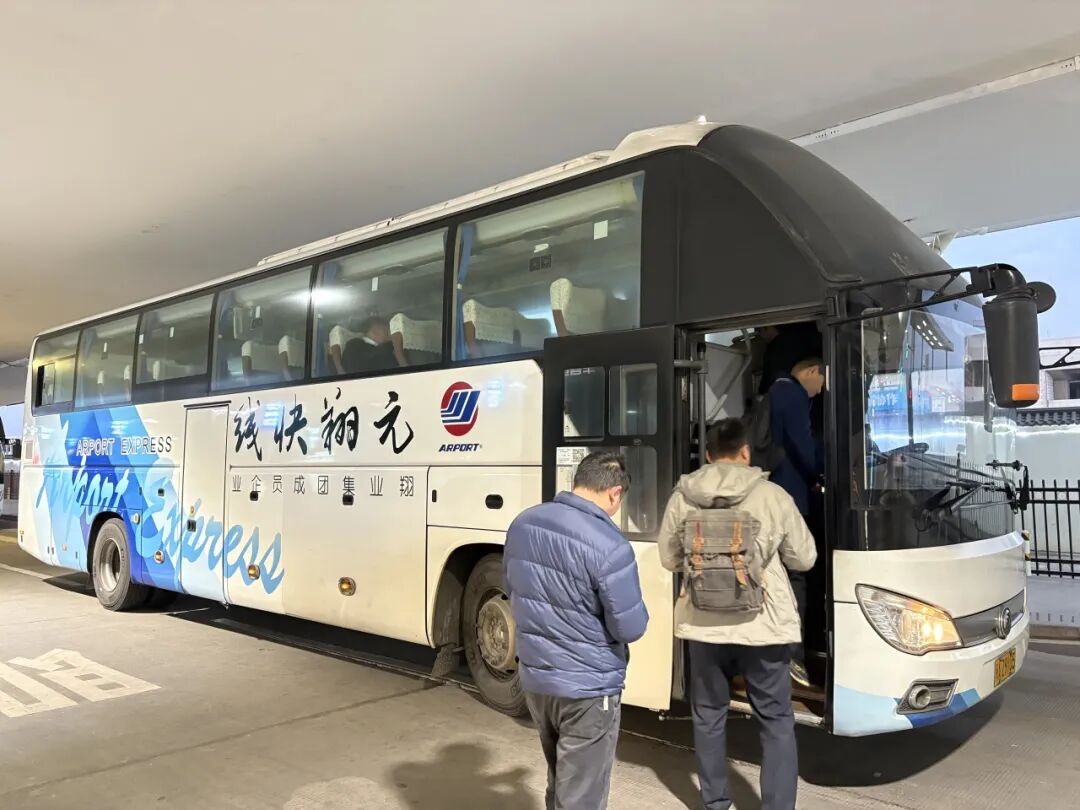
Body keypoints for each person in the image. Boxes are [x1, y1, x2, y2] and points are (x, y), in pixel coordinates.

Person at [658, 419, 816, 810]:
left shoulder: (683, 496)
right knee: (775, 720)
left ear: (708, 454)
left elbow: (669, 558)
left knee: (709, 716)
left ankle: (716, 803)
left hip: (703, 625)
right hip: (763, 627)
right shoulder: (772, 495)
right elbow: (805, 557)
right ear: (746, 452)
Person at [504, 452, 649, 810]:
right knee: (581, 795)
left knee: (560, 782)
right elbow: (630, 627)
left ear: (577, 482)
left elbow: (514, 589)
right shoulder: (610, 546)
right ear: (615, 493)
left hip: (537, 681)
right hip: (587, 689)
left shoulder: (523, 524)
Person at [767, 356, 825, 687]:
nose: (821, 391)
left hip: (781, 496)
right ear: (812, 371)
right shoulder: (791, 394)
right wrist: (821, 472)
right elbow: (803, 445)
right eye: (821, 382)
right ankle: (791, 655)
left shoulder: (776, 390)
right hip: (789, 500)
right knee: (795, 576)